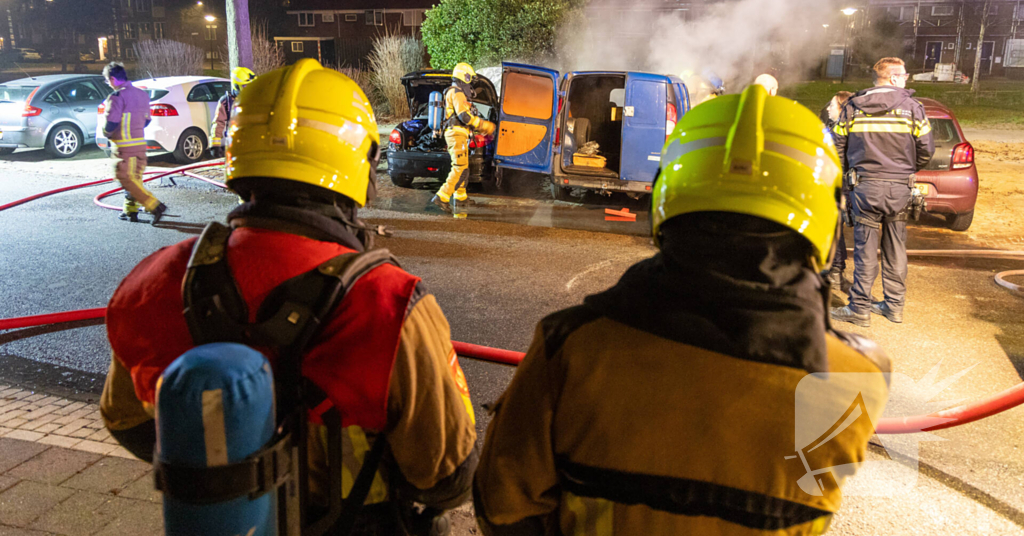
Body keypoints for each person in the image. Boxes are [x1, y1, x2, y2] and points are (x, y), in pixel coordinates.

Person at [474, 85, 891, 536]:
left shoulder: (572, 347)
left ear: (664, 200)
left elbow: (502, 507)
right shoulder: (858, 375)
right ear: (826, 219)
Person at [101, 60, 478, 534]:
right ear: (360, 165)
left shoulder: (156, 281)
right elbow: (447, 477)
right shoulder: (390, 303)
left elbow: (124, 419)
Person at [831, 57, 935, 327]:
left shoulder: (853, 107)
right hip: (900, 188)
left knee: (866, 250)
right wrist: (904, 170)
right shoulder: (913, 108)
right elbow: (926, 149)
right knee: (896, 248)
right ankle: (894, 306)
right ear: (895, 78)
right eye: (905, 76)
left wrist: (847, 179)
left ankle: (860, 309)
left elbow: (837, 148)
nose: (907, 80)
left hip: (865, 188)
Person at [101, 62, 167, 224]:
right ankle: (130, 211)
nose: (109, 84)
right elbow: (147, 120)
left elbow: (110, 123)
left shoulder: (117, 97)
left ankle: (155, 206)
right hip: (140, 146)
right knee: (135, 179)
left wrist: (106, 134)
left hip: (124, 148)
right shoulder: (142, 94)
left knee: (125, 179)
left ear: (113, 79)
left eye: (108, 81)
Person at [430, 63, 495, 215]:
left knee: (464, 167)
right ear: (463, 77)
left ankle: (460, 198)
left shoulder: (454, 92)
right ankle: (441, 197)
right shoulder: (457, 92)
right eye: (469, 79)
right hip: (456, 134)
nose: (470, 83)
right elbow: (464, 116)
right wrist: (484, 125)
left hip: (458, 134)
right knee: (459, 167)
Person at [821, 90, 854, 291]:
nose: (827, 108)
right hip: (838, 184)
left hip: (838, 185)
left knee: (835, 229)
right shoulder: (835, 128)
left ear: (842, 108)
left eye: (832, 105)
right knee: (835, 229)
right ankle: (835, 271)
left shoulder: (842, 132)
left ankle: (835, 272)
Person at [210, 66, 256, 157]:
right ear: (236, 86)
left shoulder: (257, 99)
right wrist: (215, 146)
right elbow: (218, 123)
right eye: (245, 86)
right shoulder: (226, 102)